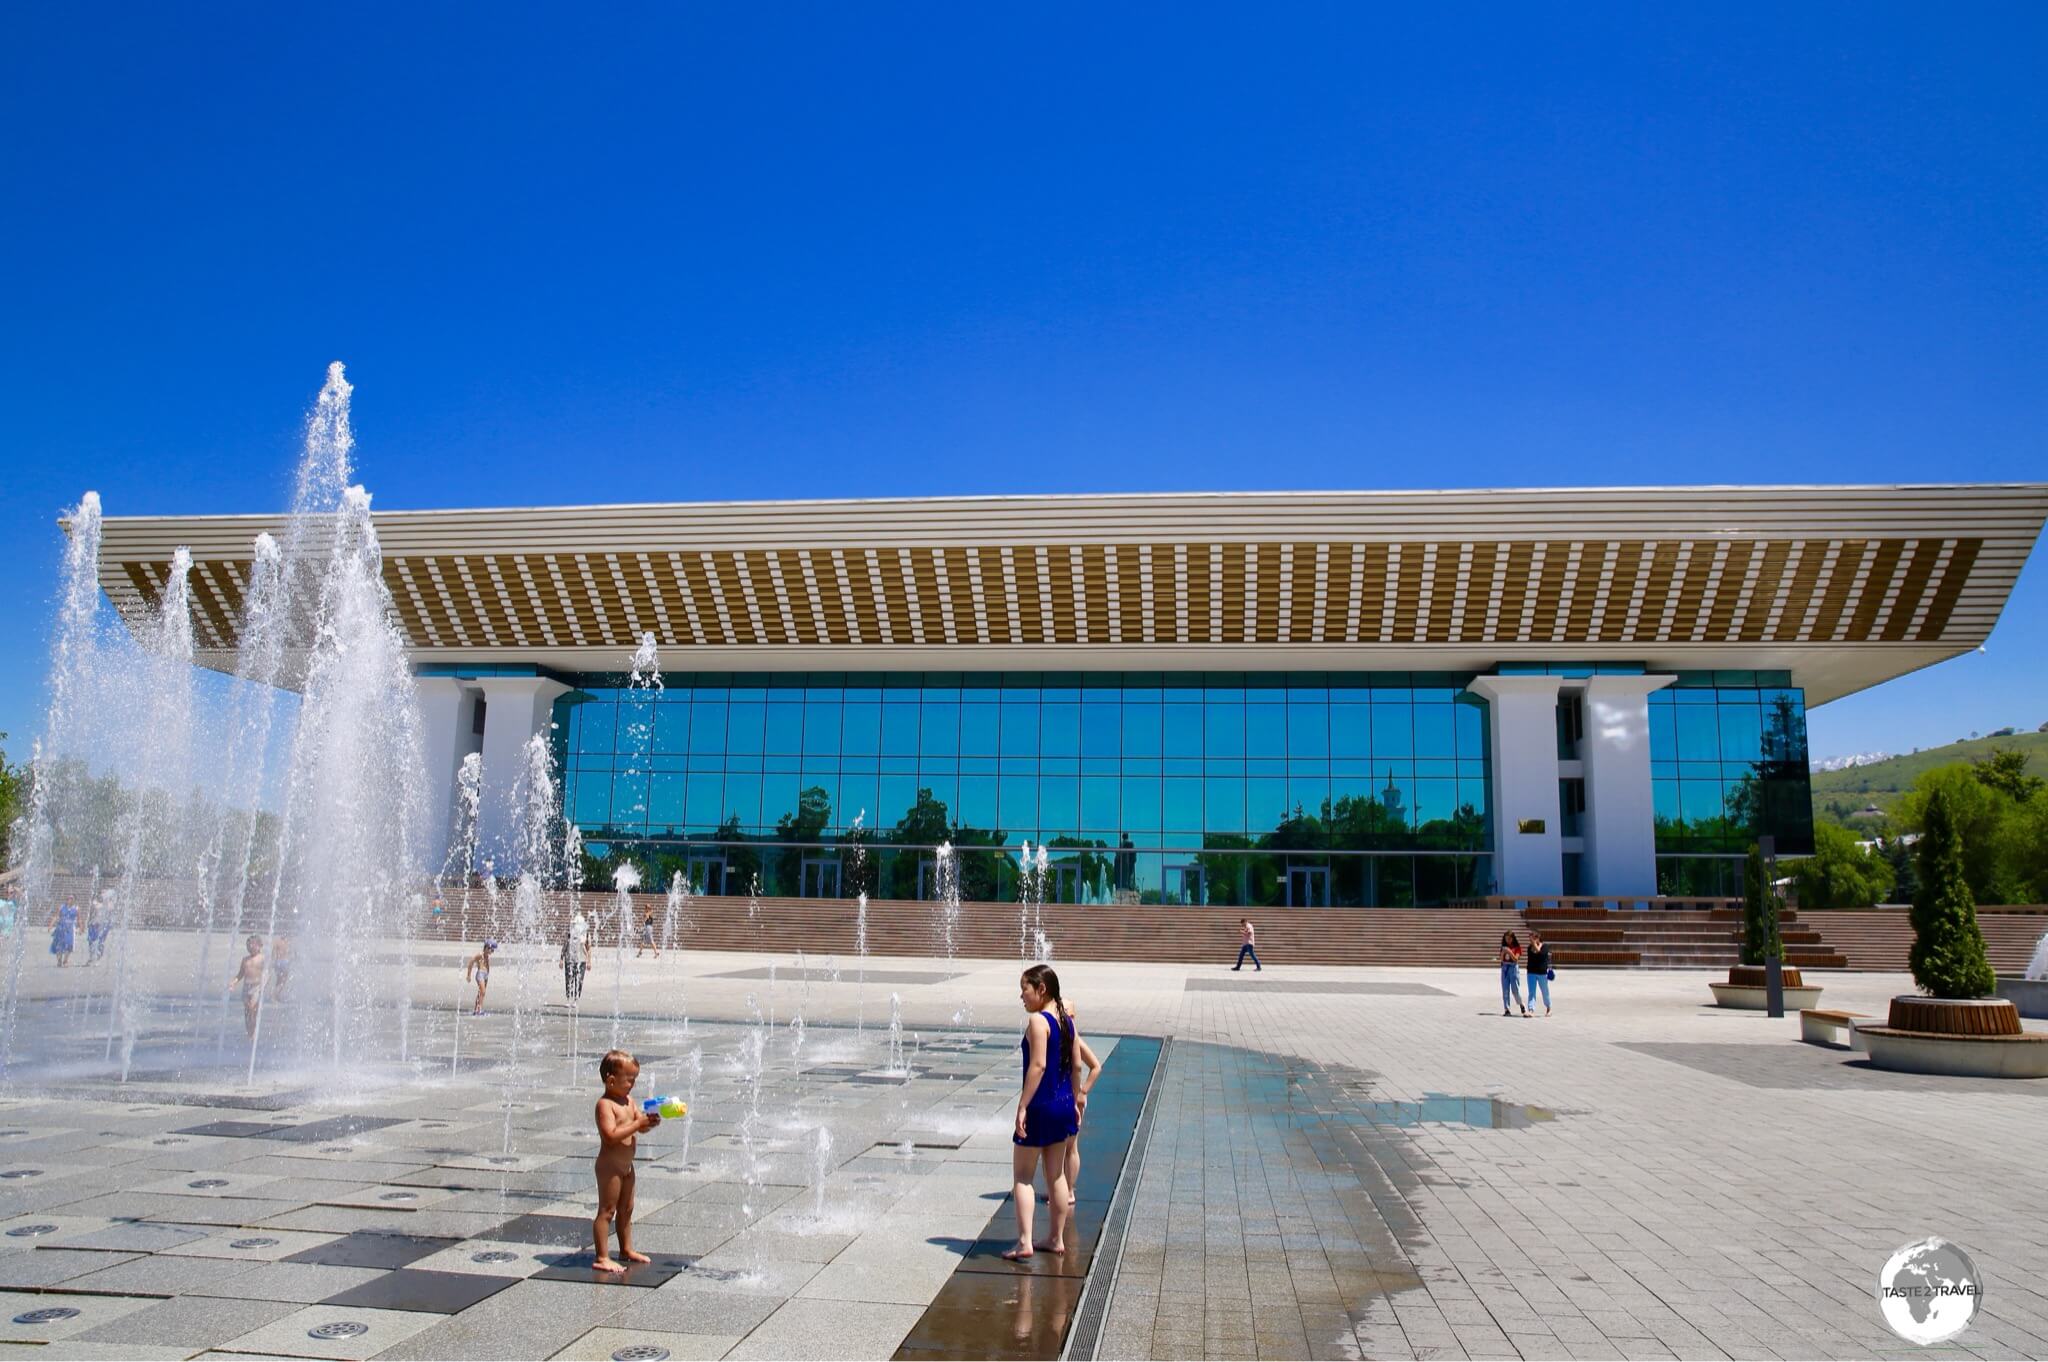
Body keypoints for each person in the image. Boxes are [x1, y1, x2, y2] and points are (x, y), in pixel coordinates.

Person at [1005, 963, 1079, 1261]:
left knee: (1023, 1176)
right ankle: (1056, 1238)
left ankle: (1025, 1241)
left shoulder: (1039, 1021)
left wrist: (1023, 1105)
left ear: (1041, 989)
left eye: (1024, 989)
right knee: (1056, 1176)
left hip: (1040, 1105)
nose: (1021, 996)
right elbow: (1076, 1066)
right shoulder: (1067, 1020)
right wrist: (1075, 1100)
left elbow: (1038, 1066)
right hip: (1062, 1106)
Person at [591, 1048, 659, 1273]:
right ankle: (602, 1256)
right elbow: (610, 1136)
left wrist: (649, 1122)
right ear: (611, 1081)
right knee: (607, 1210)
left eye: (634, 1079)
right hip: (609, 1167)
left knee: (627, 1208)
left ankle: (625, 1249)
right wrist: (637, 1125)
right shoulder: (605, 1105)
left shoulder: (628, 1101)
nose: (633, 1085)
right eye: (629, 1080)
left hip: (627, 1166)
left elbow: (640, 1125)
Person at [228, 935, 266, 1038]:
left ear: (259, 946)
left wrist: (264, 983)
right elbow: (241, 973)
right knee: (247, 1010)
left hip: (257, 987)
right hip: (246, 987)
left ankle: (253, 1031)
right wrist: (233, 982)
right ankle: (249, 1031)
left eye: (253, 944)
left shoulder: (262, 958)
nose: (250, 947)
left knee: (253, 1008)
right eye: (248, 945)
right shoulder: (245, 959)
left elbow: (267, 972)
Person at [1499, 930, 1529, 1018]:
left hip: (1513, 968)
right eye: (1506, 938)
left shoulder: (1517, 948)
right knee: (1505, 989)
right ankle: (1506, 1009)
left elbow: (1516, 959)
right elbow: (1501, 959)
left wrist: (1509, 952)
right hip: (1505, 968)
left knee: (1515, 989)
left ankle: (1521, 1004)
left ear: (1513, 939)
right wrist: (1504, 952)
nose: (1508, 940)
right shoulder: (1503, 947)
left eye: (1509, 938)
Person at [562, 916, 590, 1004]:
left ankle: (576, 999)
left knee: (579, 980)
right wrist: (561, 958)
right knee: (569, 980)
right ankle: (569, 998)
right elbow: (565, 945)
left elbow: (588, 948)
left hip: (581, 961)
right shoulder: (569, 933)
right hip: (569, 960)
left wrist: (589, 961)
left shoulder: (586, 934)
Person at [466, 939, 496, 1016]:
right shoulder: (480, 955)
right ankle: (479, 1010)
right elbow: (471, 962)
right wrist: (469, 975)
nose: (492, 952)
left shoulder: (487, 956)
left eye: (493, 950)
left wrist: (487, 974)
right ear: (486, 948)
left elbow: (487, 966)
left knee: (481, 993)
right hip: (480, 974)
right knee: (483, 992)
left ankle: (476, 1009)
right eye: (491, 950)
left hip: (485, 975)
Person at [1526, 931, 1553, 1017]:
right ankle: (1531, 1009)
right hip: (1531, 972)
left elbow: (1541, 954)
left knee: (1545, 991)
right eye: (1531, 938)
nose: (1532, 940)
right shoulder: (1529, 948)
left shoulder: (1545, 947)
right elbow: (1534, 953)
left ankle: (1549, 1008)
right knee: (1531, 992)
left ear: (1538, 938)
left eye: (1534, 938)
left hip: (1542, 973)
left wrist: (1534, 944)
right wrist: (1533, 944)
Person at [47, 901, 78, 967]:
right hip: (60, 928)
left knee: (69, 945)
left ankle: (65, 961)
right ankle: (59, 960)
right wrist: (50, 925)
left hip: (70, 929)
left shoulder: (76, 908)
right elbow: (56, 916)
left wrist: (81, 927)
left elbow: (79, 918)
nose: (70, 900)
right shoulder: (61, 907)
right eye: (69, 898)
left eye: (72, 898)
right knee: (59, 945)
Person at [270, 936, 293, 1001]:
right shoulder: (288, 942)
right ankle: (275, 994)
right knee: (283, 981)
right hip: (285, 962)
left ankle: (277, 996)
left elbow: (273, 952)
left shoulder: (277, 941)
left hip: (277, 962)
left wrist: (273, 962)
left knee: (279, 980)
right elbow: (291, 953)